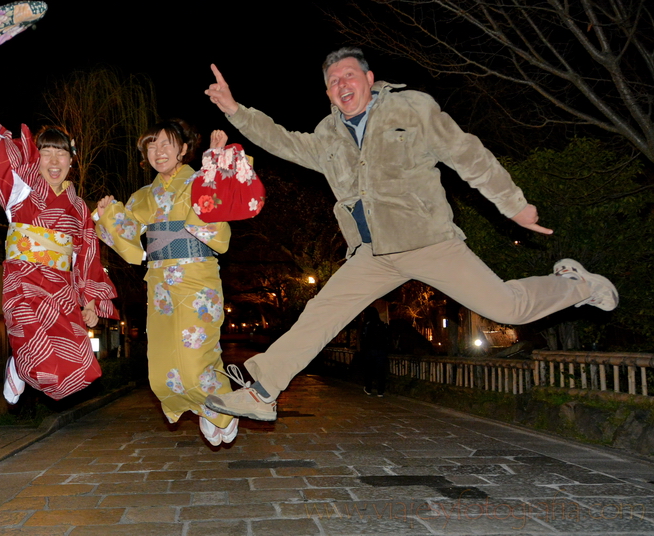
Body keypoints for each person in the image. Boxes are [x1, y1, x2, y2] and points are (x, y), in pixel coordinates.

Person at [202, 46, 618, 421]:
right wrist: (236, 110)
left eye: (348, 75)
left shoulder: (412, 109)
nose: (341, 84)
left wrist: (513, 204)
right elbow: (282, 142)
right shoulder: (328, 136)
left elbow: (467, 154)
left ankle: (577, 285)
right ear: (328, 94)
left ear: (369, 79)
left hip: (428, 239)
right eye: (332, 82)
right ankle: (261, 391)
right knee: (319, 315)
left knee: (507, 307)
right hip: (372, 253)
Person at [0, 50, 118, 405]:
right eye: (46, 153)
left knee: (79, 371)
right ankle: (19, 365)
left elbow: (88, 252)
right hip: (24, 282)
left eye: (62, 154)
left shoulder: (78, 207)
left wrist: (90, 300)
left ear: (72, 161)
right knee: (38, 361)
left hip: (60, 291)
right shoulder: (20, 187)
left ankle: (24, 367)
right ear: (36, 157)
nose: (54, 161)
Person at [93, 120, 255, 446]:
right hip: (160, 288)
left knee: (197, 360)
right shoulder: (142, 197)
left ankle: (221, 409)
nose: (159, 151)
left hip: (197, 280)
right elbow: (128, 241)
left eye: (167, 144)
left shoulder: (198, 179)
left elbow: (235, 192)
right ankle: (207, 409)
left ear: (183, 148)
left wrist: (220, 161)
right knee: (163, 370)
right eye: (151, 146)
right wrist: (107, 215)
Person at [360, 306, 388, 397]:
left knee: (369, 370)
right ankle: (380, 391)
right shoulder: (381, 324)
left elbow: (363, 339)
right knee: (381, 371)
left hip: (370, 351)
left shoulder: (367, 325)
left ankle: (368, 388)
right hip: (381, 351)